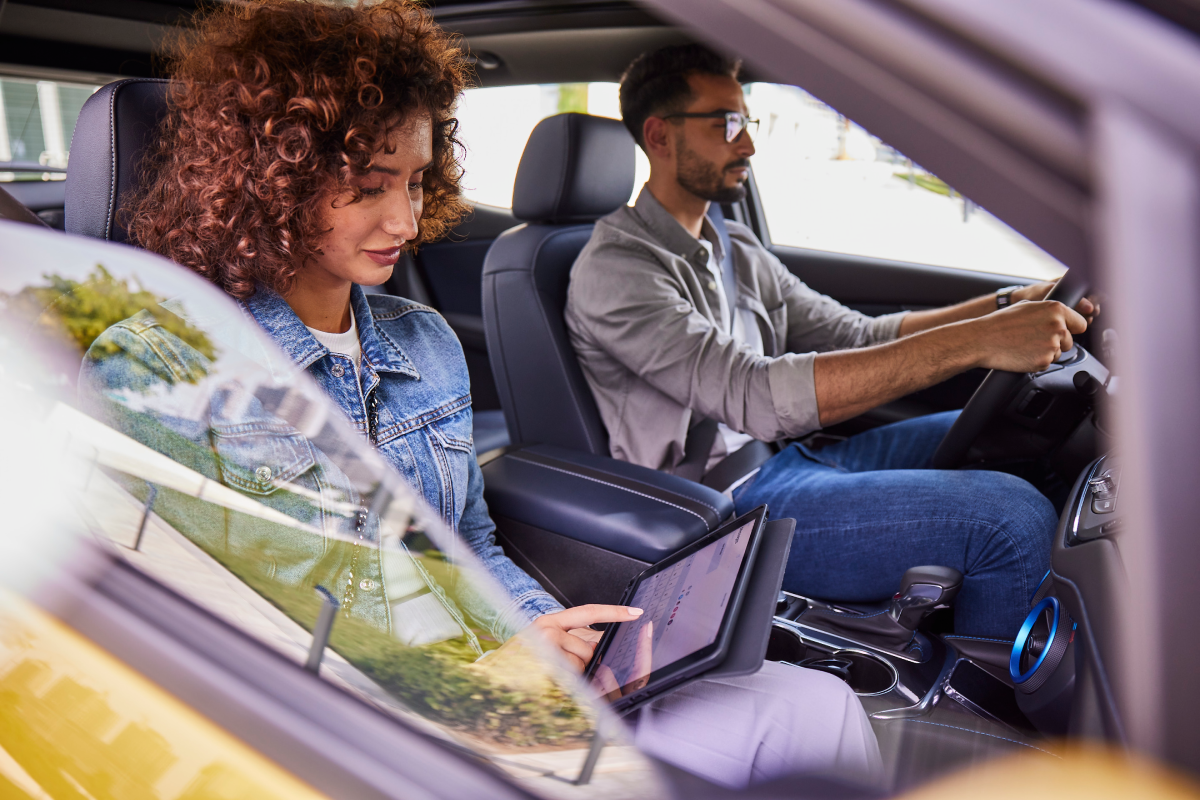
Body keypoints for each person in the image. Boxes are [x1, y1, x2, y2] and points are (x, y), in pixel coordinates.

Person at [84, 1, 881, 788]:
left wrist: (539, 628)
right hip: (346, 726)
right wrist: (464, 686)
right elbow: (215, 628)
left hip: (498, 683)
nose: (406, 217)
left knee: (818, 704)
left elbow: (468, 545)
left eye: (417, 179)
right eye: (368, 185)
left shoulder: (423, 341)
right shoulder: (162, 367)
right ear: (271, 181)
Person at [566, 44, 1097, 640]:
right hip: (724, 509)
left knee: (1022, 439)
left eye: (748, 122)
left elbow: (857, 334)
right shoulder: (617, 270)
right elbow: (756, 397)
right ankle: (995, 713)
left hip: (791, 459)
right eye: (727, 124)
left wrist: (1010, 305)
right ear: (660, 136)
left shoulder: (732, 246)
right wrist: (978, 341)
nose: (748, 144)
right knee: (1009, 518)